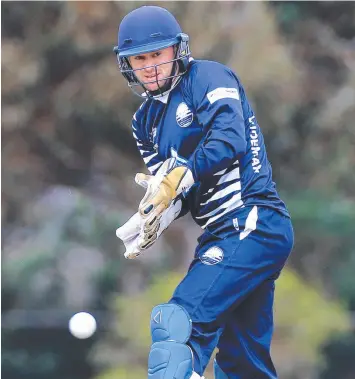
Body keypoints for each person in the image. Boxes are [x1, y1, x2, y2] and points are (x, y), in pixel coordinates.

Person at [114, 5, 294, 379]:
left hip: (252, 220)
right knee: (243, 366)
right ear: (127, 64)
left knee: (175, 328)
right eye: (139, 58)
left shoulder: (207, 76)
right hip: (222, 234)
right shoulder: (143, 122)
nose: (150, 66)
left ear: (177, 50)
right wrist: (157, 210)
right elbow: (176, 190)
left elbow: (231, 138)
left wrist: (179, 177)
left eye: (157, 54)